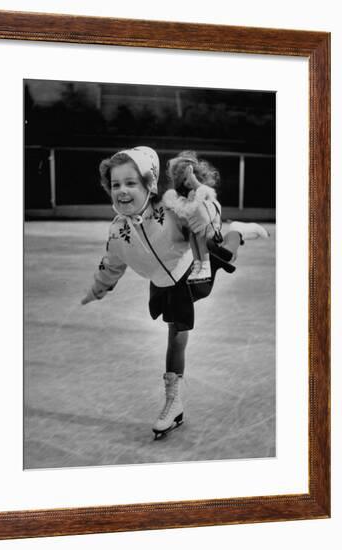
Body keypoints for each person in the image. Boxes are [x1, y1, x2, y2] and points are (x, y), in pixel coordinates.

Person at [81, 146, 268, 439]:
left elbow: (207, 207)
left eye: (131, 183)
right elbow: (111, 264)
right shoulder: (117, 232)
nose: (123, 190)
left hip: (193, 270)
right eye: (116, 184)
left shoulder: (170, 210)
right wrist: (98, 287)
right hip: (163, 284)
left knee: (226, 257)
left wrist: (205, 213)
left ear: (150, 184)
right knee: (176, 336)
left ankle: (238, 232)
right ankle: (174, 401)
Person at [163, 151, 222, 283]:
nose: (187, 181)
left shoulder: (203, 190)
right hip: (199, 227)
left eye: (190, 177)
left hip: (211, 227)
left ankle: (206, 267)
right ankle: (197, 265)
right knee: (193, 236)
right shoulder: (189, 195)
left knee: (200, 236)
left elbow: (205, 194)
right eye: (184, 179)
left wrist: (192, 177)